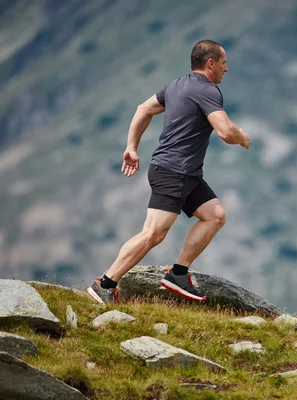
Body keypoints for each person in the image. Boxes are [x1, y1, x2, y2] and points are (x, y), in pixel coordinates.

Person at [87, 40, 250, 304]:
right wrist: (241, 137)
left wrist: (132, 147)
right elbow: (225, 131)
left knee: (215, 216)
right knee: (153, 234)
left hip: (186, 173)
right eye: (223, 63)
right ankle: (104, 285)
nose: (226, 69)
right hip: (174, 172)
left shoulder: (176, 85)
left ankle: (178, 273)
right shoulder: (208, 91)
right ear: (211, 64)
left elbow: (143, 109)